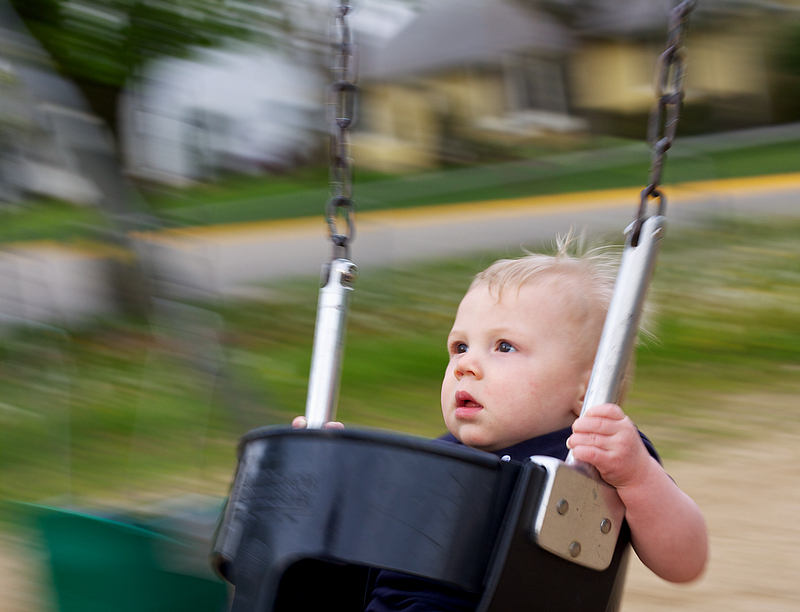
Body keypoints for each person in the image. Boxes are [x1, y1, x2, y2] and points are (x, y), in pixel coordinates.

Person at [293, 237, 708, 609]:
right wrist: (333, 478)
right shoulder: (435, 460)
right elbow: (365, 554)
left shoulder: (595, 454)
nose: (465, 365)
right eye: (459, 347)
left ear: (586, 390)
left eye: (504, 346)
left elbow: (684, 561)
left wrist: (637, 477)